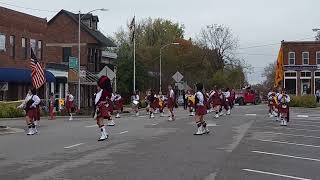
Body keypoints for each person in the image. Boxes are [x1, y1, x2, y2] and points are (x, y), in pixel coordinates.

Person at [94, 75, 113, 141]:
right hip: (99, 107)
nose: (97, 87)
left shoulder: (104, 92)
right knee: (99, 122)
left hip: (101, 107)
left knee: (100, 120)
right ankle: (105, 133)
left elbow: (110, 97)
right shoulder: (99, 93)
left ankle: (103, 135)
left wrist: (104, 101)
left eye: (98, 86)